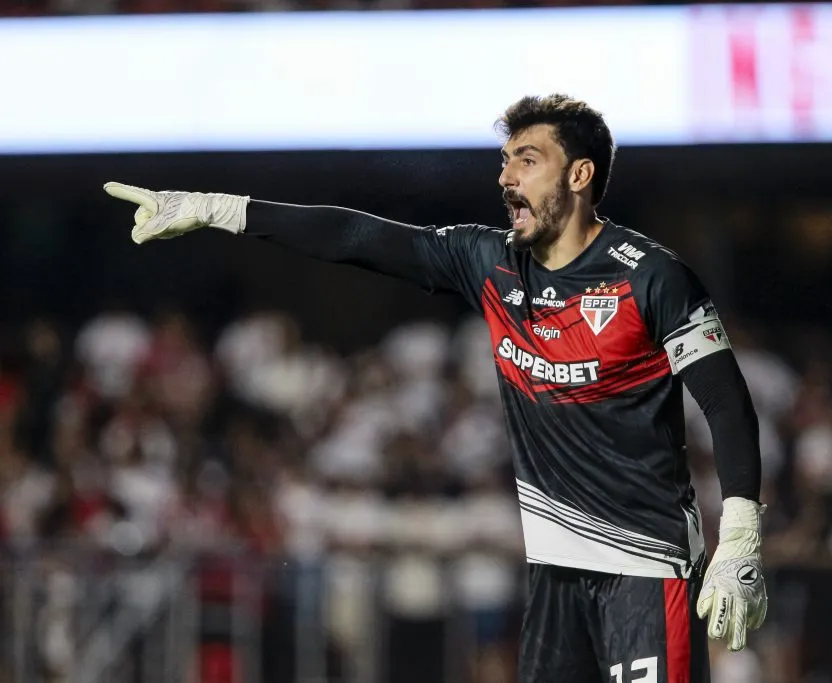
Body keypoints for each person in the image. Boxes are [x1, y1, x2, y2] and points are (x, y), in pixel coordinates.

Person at [105, 93, 767, 683]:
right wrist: (221, 209)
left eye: (526, 160)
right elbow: (356, 236)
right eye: (504, 160)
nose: (505, 176)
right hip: (555, 571)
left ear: (580, 174)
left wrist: (740, 531)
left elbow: (725, 399)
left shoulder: (653, 278)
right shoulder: (487, 260)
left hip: (647, 572)